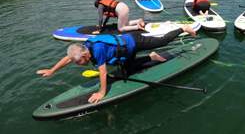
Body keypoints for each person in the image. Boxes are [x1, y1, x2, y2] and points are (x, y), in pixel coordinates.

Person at [37, 24, 197, 104]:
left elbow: (103, 73)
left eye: (80, 62)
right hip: (125, 52)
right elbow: (68, 58)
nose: (78, 64)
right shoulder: (83, 47)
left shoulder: (97, 50)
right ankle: (152, 57)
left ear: (86, 55)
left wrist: (101, 93)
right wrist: (52, 70)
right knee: (129, 71)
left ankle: (183, 28)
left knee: (162, 41)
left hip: (134, 41)